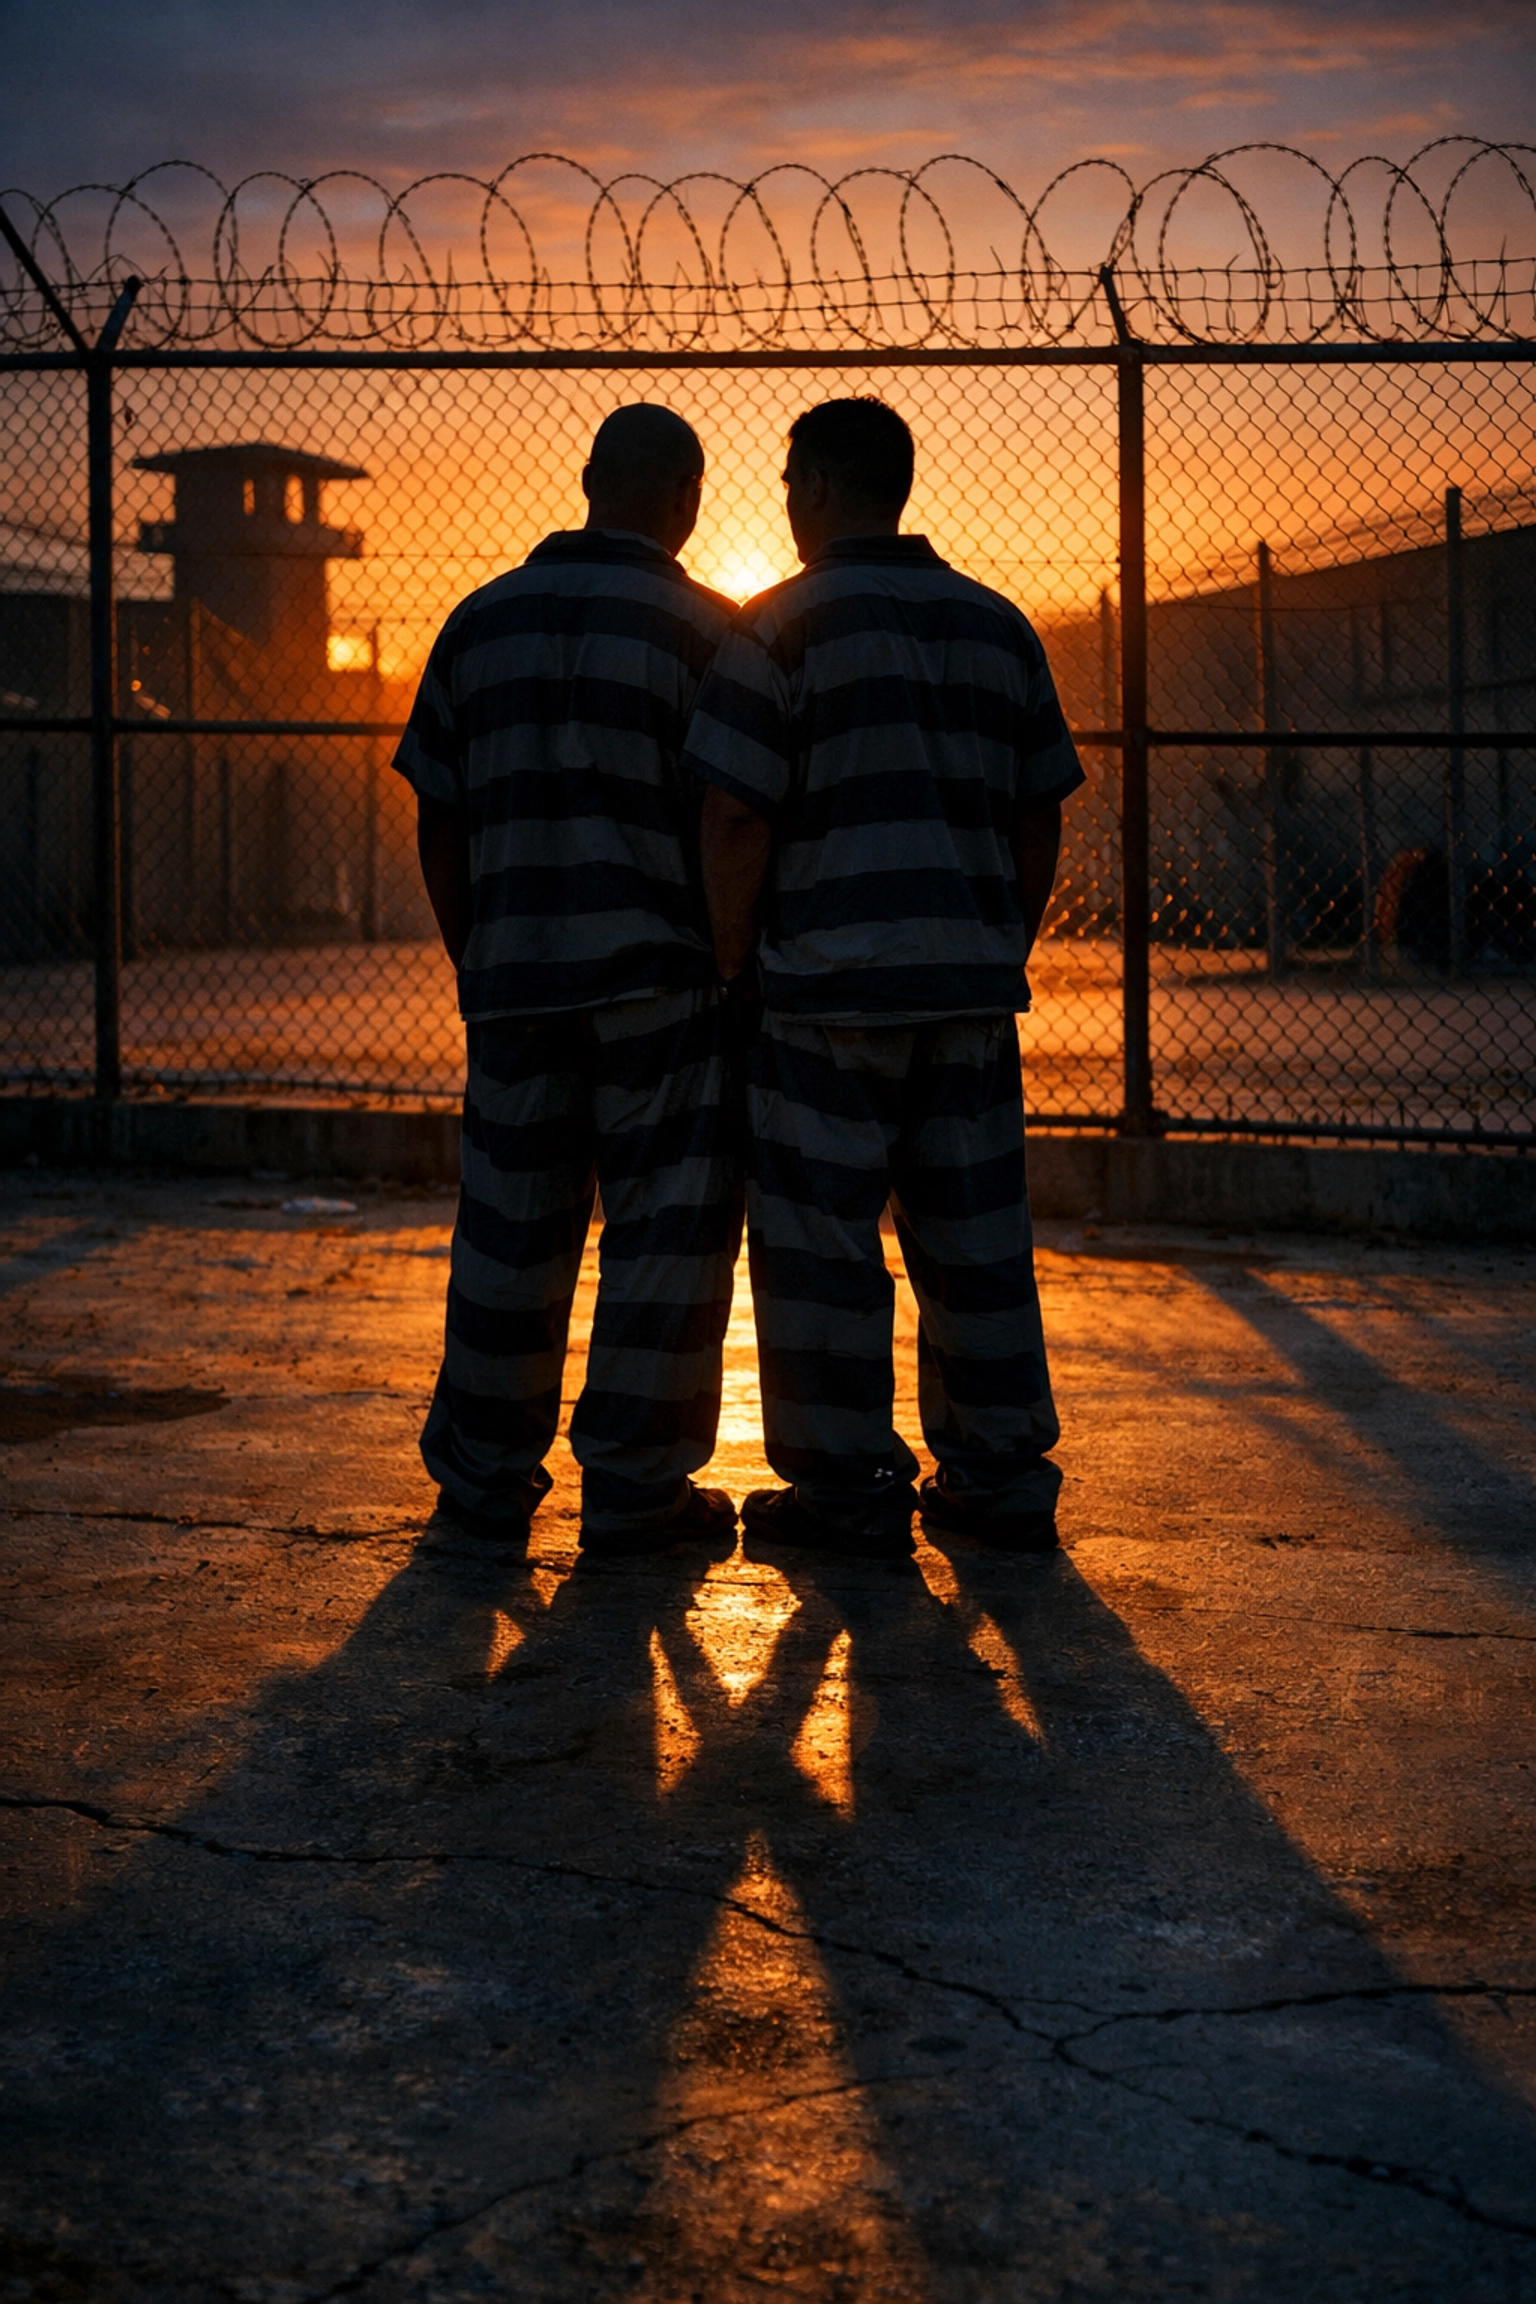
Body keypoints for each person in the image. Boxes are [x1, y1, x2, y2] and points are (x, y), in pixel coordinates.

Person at [685, 396, 1082, 1559]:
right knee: (977, 1250)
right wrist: (998, 940)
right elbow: (1039, 810)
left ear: (815, 487)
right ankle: (1000, 1482)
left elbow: (734, 813)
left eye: (790, 478)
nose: (787, 500)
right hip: (964, 996)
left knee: (824, 1255)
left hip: (822, 1000)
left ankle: (847, 1497)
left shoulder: (777, 630)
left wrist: (733, 968)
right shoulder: (998, 626)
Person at [394, 404, 741, 1555]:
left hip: (514, 979)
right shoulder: (707, 633)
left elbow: (440, 821)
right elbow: (731, 826)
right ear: (690, 500)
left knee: (508, 1240)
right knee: (663, 1239)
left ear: (587, 478)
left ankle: (483, 1489)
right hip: (660, 987)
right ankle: (638, 1490)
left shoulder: (474, 626)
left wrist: (480, 953)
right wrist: (725, 967)